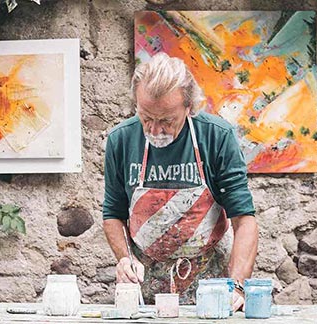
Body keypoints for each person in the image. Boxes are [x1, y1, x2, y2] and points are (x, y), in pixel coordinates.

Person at [102, 52, 258, 310]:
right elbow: (113, 214)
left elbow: (244, 220)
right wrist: (124, 259)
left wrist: (237, 286)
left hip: (213, 284)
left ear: (189, 107)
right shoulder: (121, 140)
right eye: (146, 118)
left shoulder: (216, 137)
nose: (154, 130)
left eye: (166, 120)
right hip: (147, 286)